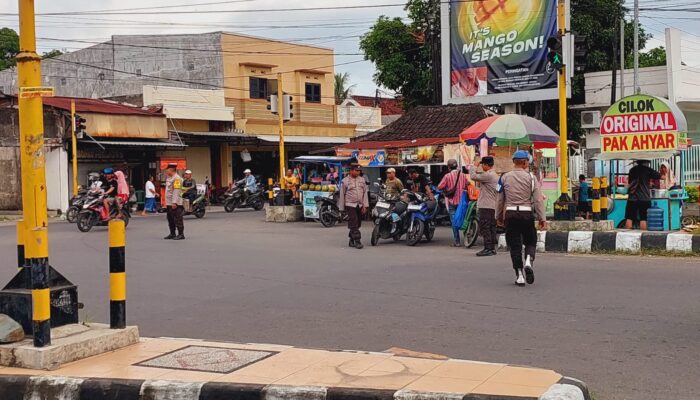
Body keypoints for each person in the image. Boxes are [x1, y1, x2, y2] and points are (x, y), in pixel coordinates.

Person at [496, 150, 546, 286]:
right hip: (526, 213)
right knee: (530, 240)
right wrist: (542, 218)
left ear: (514, 162)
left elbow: (500, 199)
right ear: (525, 162)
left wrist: (498, 216)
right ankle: (529, 261)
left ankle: (519, 275)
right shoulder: (531, 178)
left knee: (514, 245)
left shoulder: (504, 177)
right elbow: (538, 200)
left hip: (510, 214)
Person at [471, 156, 499, 256]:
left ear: (486, 165)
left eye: (482, 164)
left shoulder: (489, 175)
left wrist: (474, 166)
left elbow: (473, 176)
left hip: (486, 205)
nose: (481, 166)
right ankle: (491, 248)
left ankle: (488, 248)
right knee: (491, 227)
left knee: (485, 227)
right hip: (492, 205)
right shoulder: (494, 175)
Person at [437, 159, 468, 247]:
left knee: (454, 221)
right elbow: (467, 184)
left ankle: (457, 241)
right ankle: (467, 239)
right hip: (462, 202)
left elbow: (440, 186)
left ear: (449, 167)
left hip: (452, 202)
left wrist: (446, 189)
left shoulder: (447, 176)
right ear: (457, 166)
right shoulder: (462, 175)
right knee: (464, 219)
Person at [339, 164, 369, 249]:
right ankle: (357, 241)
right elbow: (342, 194)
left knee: (358, 223)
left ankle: (351, 239)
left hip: (359, 205)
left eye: (359, 171)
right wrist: (341, 208)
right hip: (350, 204)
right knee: (354, 222)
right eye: (356, 170)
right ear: (351, 171)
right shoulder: (345, 181)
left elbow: (365, 193)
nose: (358, 172)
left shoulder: (362, 180)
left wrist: (365, 205)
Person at [625, 160, 661, 230]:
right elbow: (659, 176)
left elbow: (630, 182)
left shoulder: (632, 170)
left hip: (632, 197)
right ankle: (642, 235)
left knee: (629, 218)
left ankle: (626, 235)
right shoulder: (647, 170)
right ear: (646, 162)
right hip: (644, 198)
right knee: (643, 218)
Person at [164, 164, 185, 240]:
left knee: (177, 218)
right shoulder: (169, 178)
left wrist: (174, 202)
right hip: (169, 202)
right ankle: (172, 233)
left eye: (167, 169)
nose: (166, 170)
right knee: (170, 218)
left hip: (176, 203)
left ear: (171, 170)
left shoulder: (177, 179)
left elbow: (176, 191)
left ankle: (181, 234)